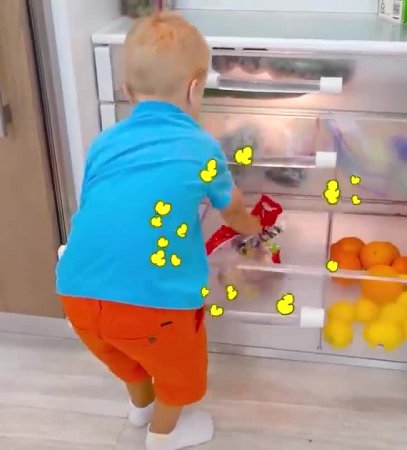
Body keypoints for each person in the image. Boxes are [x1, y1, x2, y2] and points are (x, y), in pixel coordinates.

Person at [55, 12, 262, 450]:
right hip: (153, 303)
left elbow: (97, 203)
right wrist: (253, 227)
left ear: (127, 92)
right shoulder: (202, 148)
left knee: (125, 354)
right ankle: (164, 434)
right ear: (194, 88)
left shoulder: (104, 143)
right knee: (181, 374)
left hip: (77, 292)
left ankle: (140, 408)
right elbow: (233, 209)